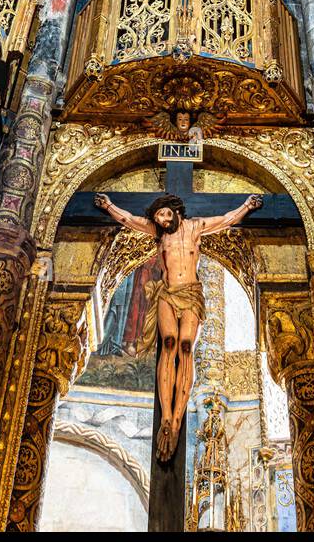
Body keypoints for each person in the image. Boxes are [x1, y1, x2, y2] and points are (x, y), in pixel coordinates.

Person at [94, 189, 262, 461]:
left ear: (176, 211)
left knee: (186, 348)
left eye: (164, 214)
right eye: (158, 216)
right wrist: (109, 205)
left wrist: (246, 205)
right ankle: (166, 417)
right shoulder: (157, 233)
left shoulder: (195, 227)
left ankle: (177, 419)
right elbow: (127, 219)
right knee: (169, 344)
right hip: (167, 293)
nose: (160, 220)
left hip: (192, 293)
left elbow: (227, 219)